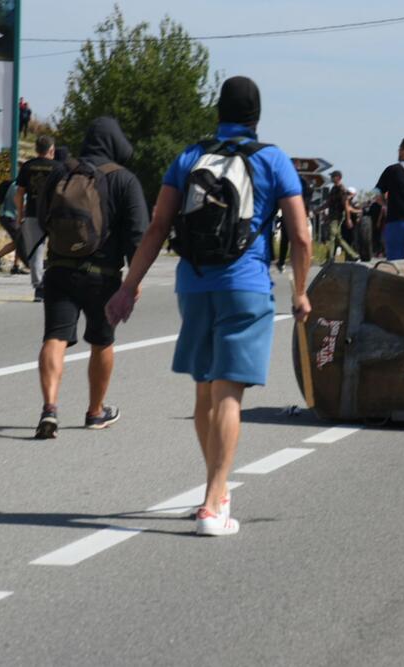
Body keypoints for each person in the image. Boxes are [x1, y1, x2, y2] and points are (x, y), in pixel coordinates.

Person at [106, 76, 312, 537]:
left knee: (205, 390)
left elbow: (158, 226)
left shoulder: (189, 157)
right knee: (228, 393)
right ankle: (212, 502)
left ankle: (215, 490)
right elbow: (300, 234)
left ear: (218, 111)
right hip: (246, 284)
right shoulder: (273, 159)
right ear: (256, 116)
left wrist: (129, 286)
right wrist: (300, 291)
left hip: (194, 285)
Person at [32, 117, 148, 440]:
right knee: (102, 341)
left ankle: (50, 409)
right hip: (104, 277)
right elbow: (139, 236)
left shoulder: (61, 172)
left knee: (54, 337)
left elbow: (42, 217)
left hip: (59, 270)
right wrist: (133, 281)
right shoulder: (125, 180)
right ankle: (95, 412)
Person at [16, 135, 60, 301]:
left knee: (36, 252)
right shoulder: (58, 167)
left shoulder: (27, 167)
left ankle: (39, 288)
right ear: (51, 150)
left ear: (36, 150)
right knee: (57, 251)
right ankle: (56, 285)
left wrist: (20, 214)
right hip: (54, 215)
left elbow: (19, 193)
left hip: (33, 213)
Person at [0, 179, 26, 274]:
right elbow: (20, 203)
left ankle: (15, 266)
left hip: (10, 216)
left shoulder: (16, 184)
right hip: (10, 217)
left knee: (19, 241)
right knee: (21, 240)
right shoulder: (18, 186)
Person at [324, 170, 360, 262]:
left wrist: (348, 219)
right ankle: (354, 255)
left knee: (332, 236)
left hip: (337, 216)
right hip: (332, 216)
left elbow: (346, 205)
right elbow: (328, 203)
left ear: (338, 178)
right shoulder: (333, 189)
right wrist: (318, 210)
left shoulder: (342, 189)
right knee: (338, 238)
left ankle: (330, 259)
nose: (331, 178)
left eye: (333, 176)